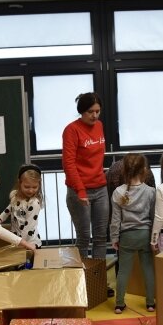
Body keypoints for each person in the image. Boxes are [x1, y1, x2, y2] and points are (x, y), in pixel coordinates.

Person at [62, 92, 109, 260]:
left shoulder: (99, 126)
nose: (95, 115)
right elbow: (69, 163)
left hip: (100, 188)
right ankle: (81, 281)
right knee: (84, 238)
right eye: (90, 112)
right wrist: (81, 190)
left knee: (101, 237)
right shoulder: (71, 130)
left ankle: (99, 281)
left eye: (97, 111)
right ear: (82, 111)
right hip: (79, 190)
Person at [110, 153, 156, 313]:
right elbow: (153, 217)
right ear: (144, 170)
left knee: (123, 271)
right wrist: (154, 237)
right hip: (145, 234)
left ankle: (119, 304)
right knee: (148, 269)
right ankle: (150, 302)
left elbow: (115, 219)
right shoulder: (150, 192)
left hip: (127, 236)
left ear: (124, 170)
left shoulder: (118, 192)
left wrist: (114, 238)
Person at [0, 164, 44, 248]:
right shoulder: (15, 196)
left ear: (39, 185)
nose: (31, 190)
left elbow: (29, 226)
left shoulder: (34, 203)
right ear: (20, 183)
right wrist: (0, 219)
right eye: (27, 187)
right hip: (17, 241)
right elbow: (9, 209)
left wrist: (21, 243)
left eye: (35, 187)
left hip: (29, 244)